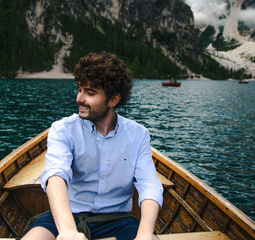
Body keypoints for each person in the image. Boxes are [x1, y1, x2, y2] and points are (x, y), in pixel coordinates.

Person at [22, 52, 163, 240]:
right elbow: (56, 175)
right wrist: (68, 231)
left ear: (113, 100)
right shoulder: (62, 129)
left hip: (118, 221)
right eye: (80, 89)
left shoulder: (138, 135)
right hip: (67, 217)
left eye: (90, 93)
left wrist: (144, 234)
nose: (79, 98)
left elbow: (149, 185)